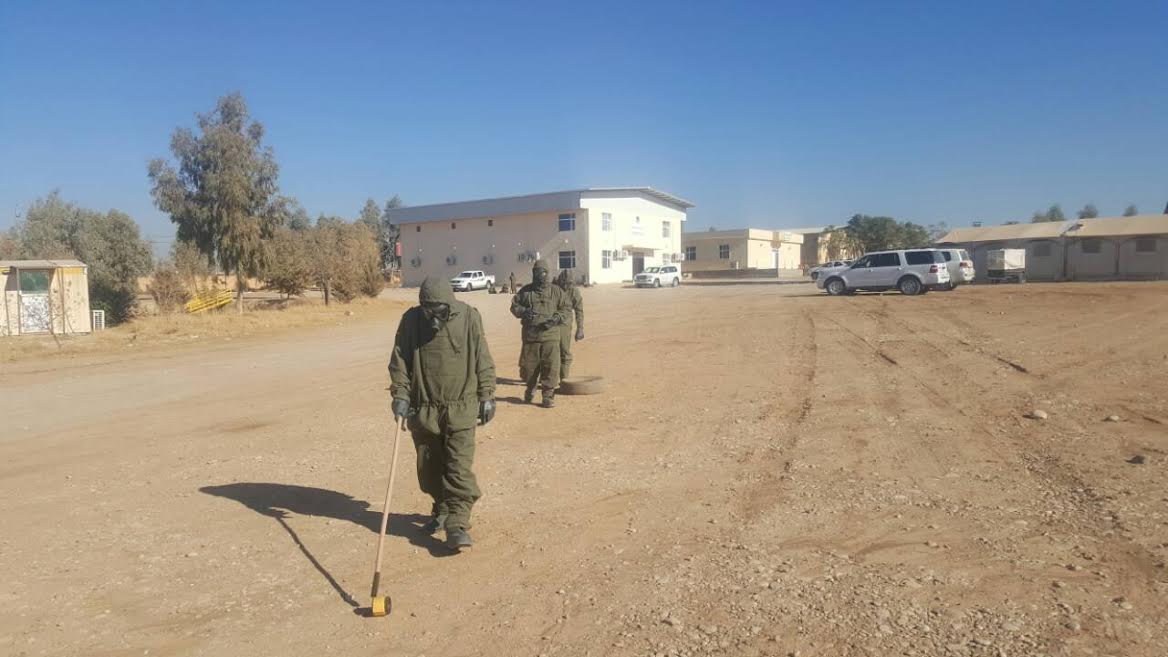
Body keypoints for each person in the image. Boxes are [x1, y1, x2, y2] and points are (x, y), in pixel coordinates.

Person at [388, 276, 496, 551]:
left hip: (461, 405)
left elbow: (482, 356)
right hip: (423, 408)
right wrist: (400, 394)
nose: (434, 320)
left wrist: (487, 394)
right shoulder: (411, 321)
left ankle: (457, 524)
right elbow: (400, 360)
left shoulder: (469, 317)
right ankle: (441, 508)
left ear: (450, 304)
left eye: (440, 313)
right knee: (429, 470)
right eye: (429, 314)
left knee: (458, 468)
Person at [510, 260, 570, 408]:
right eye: (538, 272)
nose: (541, 275)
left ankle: (548, 395)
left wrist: (556, 319)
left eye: (543, 272)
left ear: (547, 273)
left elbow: (566, 309)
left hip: (551, 336)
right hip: (531, 337)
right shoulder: (525, 292)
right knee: (529, 368)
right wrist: (524, 311)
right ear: (533, 273)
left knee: (551, 367)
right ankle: (530, 388)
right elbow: (514, 306)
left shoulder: (556, 291)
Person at [553, 270, 584, 379]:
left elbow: (579, 310)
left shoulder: (574, 291)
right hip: (550, 323)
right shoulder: (552, 288)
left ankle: (564, 378)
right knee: (548, 351)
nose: (566, 286)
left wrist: (580, 329)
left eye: (569, 283)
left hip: (564, 324)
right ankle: (549, 378)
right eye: (564, 283)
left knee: (564, 350)